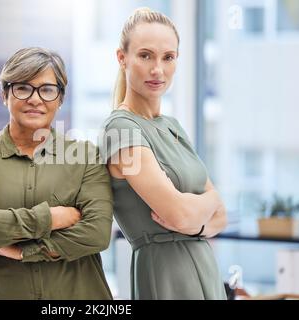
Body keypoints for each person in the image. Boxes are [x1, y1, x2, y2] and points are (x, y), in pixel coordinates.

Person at [0, 47, 113, 299]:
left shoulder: (87, 156)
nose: (35, 99)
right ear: (5, 94)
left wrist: (22, 250)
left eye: (47, 90)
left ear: (60, 99)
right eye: (23, 88)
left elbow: (97, 234)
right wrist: (52, 218)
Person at [100, 8, 228, 299]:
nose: (158, 69)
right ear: (122, 58)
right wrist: (208, 202)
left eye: (168, 57)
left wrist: (199, 214)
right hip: (165, 275)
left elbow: (221, 217)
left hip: (206, 269)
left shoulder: (172, 127)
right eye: (145, 56)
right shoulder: (119, 129)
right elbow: (181, 214)